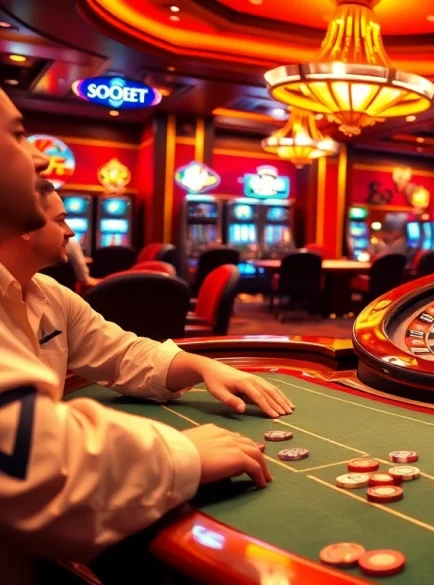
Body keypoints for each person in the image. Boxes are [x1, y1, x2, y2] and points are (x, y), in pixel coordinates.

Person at [0, 88, 270, 584]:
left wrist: (202, 364)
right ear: (24, 231)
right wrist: (182, 453)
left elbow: (122, 352)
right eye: (18, 135)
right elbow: (35, 466)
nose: (41, 155)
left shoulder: (47, 295)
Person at [1, 179, 296, 413]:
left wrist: (203, 366)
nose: (71, 232)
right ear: (28, 226)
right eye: (61, 220)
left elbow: (122, 355)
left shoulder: (53, 295)